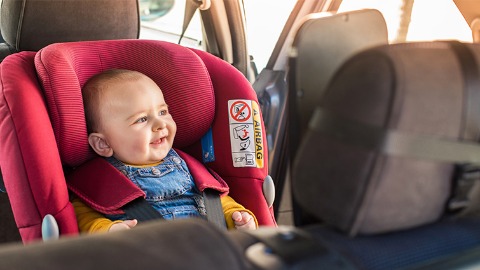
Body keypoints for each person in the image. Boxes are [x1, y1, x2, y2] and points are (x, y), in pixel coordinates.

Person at [72, 68, 257, 233]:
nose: (160, 124)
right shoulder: (99, 181)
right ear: (103, 144)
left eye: (162, 112)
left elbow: (216, 201)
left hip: (208, 252)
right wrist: (108, 229)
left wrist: (236, 216)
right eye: (142, 119)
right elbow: (83, 215)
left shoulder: (189, 166)